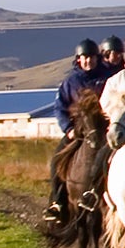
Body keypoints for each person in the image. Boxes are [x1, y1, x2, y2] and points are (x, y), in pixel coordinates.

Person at [43, 39, 110, 221]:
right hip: (78, 132)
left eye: (91, 57)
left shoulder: (107, 78)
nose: (88, 61)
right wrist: (68, 128)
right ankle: (58, 202)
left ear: (97, 58)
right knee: (57, 160)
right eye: (84, 57)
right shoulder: (71, 82)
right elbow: (60, 108)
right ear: (78, 59)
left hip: (104, 130)